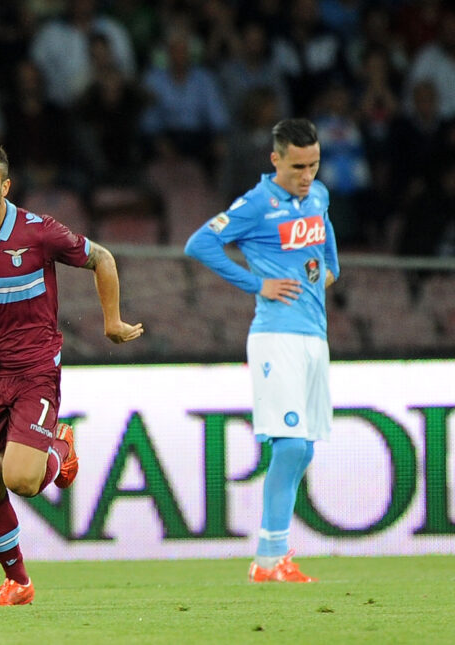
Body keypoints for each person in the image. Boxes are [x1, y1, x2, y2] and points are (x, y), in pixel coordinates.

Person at [0, 143, 143, 605]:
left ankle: (59, 451)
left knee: (21, 479)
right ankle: (18, 581)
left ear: (5, 186)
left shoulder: (39, 233)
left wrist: (112, 321)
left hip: (34, 368)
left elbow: (102, 258)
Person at [184, 118, 339, 583]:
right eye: (297, 167)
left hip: (314, 336)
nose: (306, 175)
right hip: (276, 335)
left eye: (313, 165)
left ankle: (275, 558)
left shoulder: (318, 196)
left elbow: (327, 250)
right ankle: (269, 558)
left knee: (304, 448)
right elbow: (200, 244)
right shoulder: (256, 204)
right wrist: (258, 284)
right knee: (290, 444)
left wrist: (328, 271)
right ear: (275, 160)